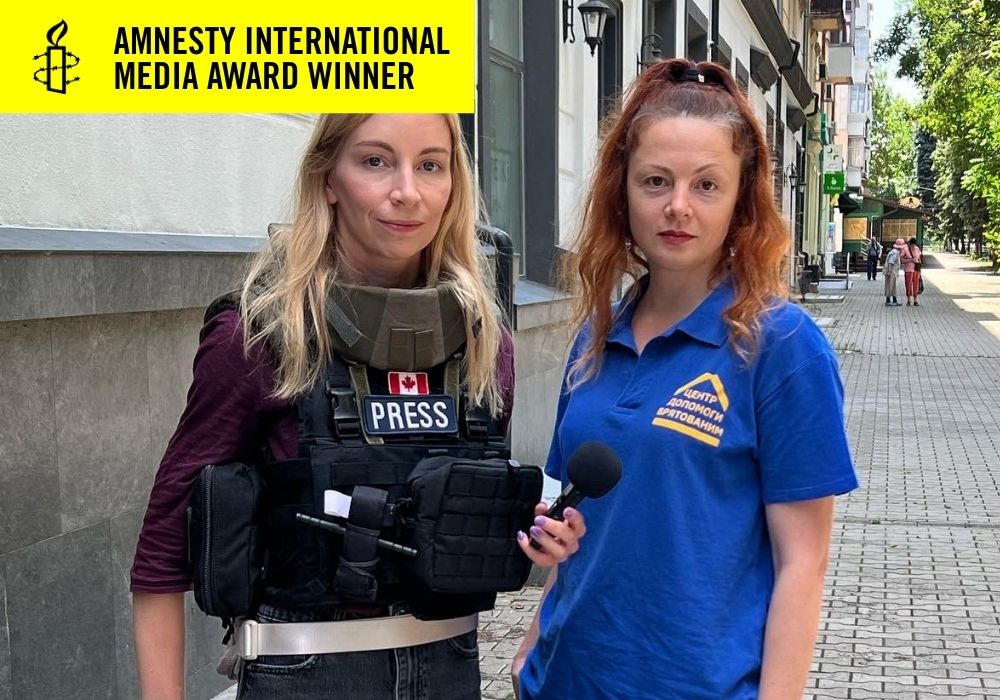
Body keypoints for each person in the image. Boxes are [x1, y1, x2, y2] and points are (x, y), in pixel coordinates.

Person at [130, 113, 585, 700]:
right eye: (375, 161)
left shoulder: (483, 343)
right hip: (304, 674)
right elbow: (163, 547)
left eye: (430, 165)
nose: (407, 191)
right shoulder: (260, 335)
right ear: (327, 178)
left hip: (450, 669)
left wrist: (536, 534)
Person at [512, 59, 858, 699]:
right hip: (564, 681)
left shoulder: (782, 348)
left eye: (706, 185)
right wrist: (532, 639)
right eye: (655, 181)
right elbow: (584, 528)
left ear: (741, 198)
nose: (677, 207)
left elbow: (802, 565)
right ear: (623, 191)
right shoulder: (594, 336)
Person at [884, 240, 903, 306]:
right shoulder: (895, 253)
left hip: (893, 272)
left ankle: (894, 300)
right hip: (891, 271)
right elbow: (890, 262)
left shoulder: (895, 252)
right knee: (890, 286)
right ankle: (888, 300)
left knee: (893, 286)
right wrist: (889, 271)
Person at [905, 236, 923, 305]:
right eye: (912, 245)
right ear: (909, 244)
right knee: (908, 285)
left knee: (916, 284)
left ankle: (915, 299)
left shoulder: (917, 249)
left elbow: (919, 258)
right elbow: (902, 260)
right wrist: (910, 260)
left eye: (914, 245)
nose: (913, 247)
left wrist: (920, 267)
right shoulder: (906, 250)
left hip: (916, 269)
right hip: (908, 269)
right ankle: (909, 299)